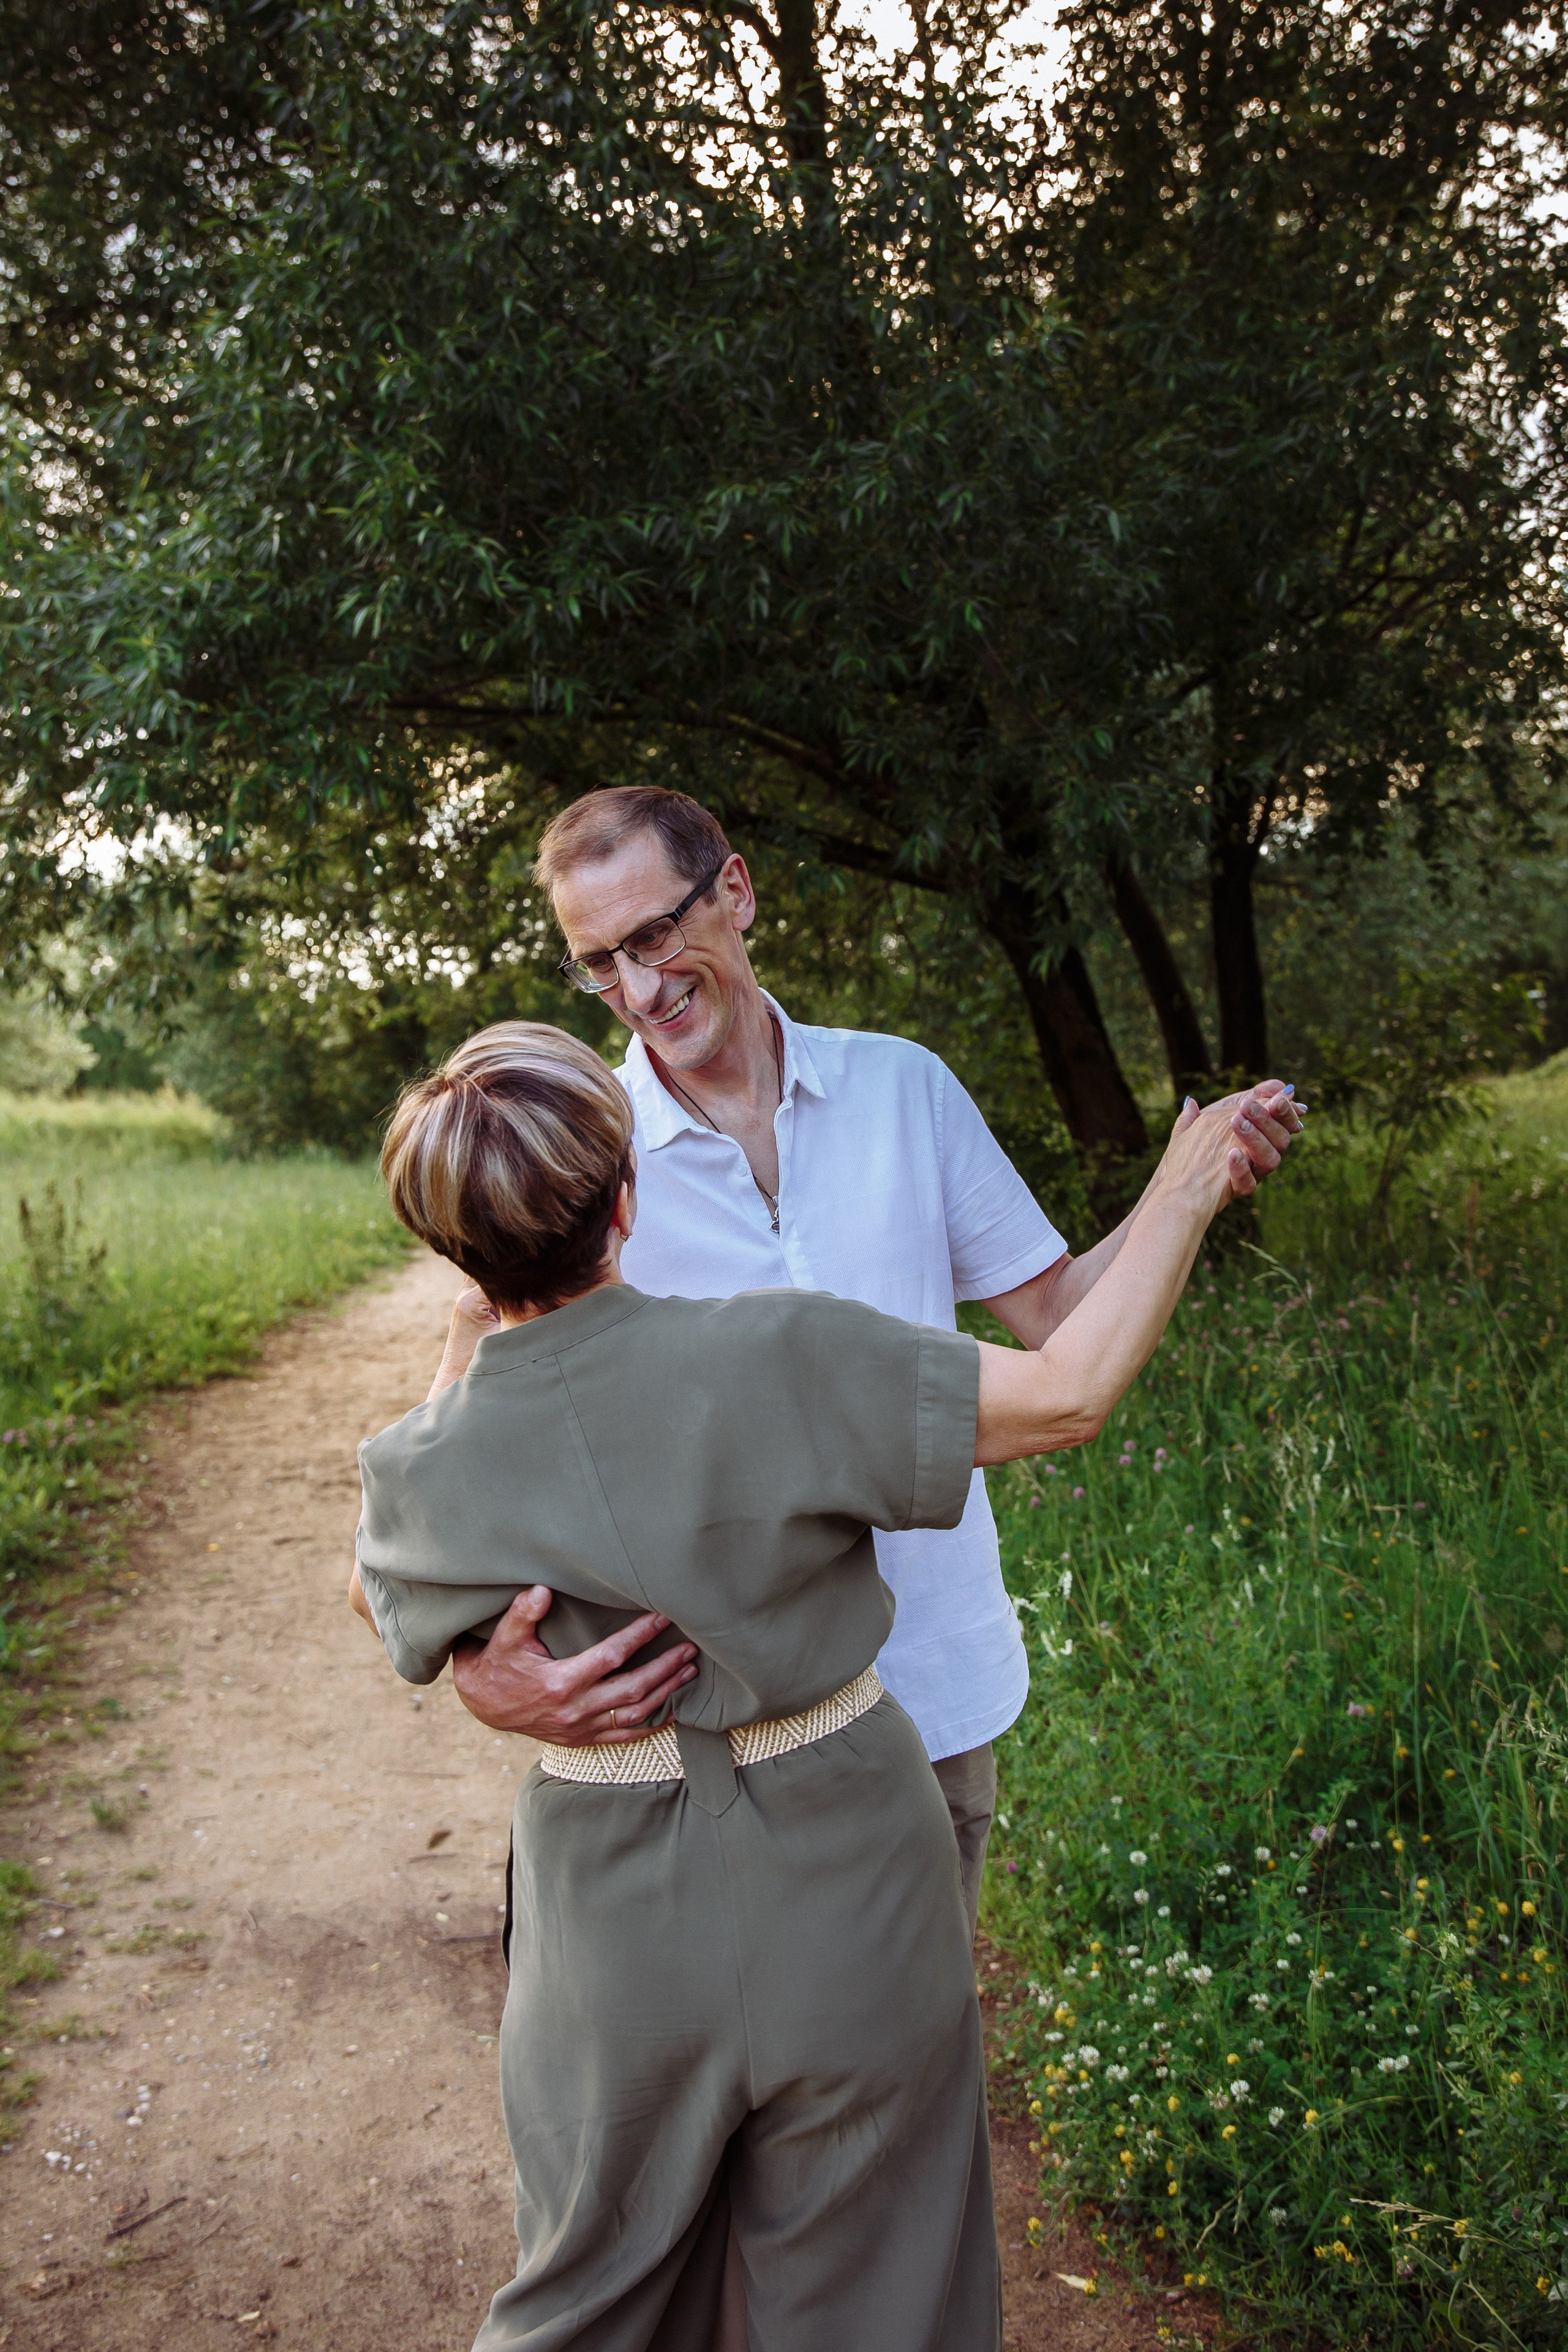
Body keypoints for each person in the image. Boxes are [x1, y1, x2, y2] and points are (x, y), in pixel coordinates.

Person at [350, 1020, 1275, 2352]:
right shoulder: (781, 1351)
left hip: (611, 1902)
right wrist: (1185, 1185)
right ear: (626, 1201)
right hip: (852, 1851)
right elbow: (1066, 1392)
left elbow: (389, 1600)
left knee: (589, 2287)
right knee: (875, 2279)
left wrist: (468, 1335)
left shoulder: (418, 1464)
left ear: (449, 1248)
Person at [451, 787, 1303, 1935]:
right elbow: (460, 1454)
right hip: (715, 1735)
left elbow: (1057, 1318)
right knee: (745, 2089)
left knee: (917, 2078)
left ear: (737, 892)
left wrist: (1184, 1189)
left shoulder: (905, 1088)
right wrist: (482, 1672)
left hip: (933, 1688)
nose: (640, 990)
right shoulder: (583, 1159)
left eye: (655, 934)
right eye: (598, 963)